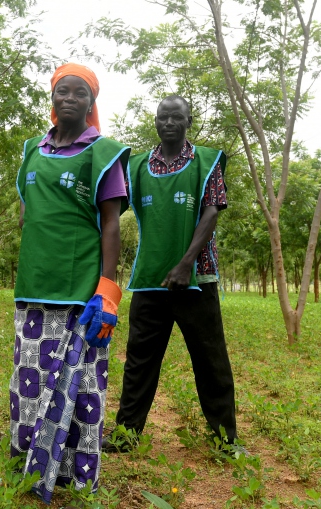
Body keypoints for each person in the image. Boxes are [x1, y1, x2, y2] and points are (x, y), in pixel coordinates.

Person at [9, 63, 130, 509]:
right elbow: (29, 212)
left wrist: (107, 288)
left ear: (91, 102)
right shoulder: (31, 150)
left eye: (80, 93)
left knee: (80, 385)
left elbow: (112, 223)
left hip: (79, 289)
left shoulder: (104, 154)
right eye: (62, 91)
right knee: (30, 379)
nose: (69, 99)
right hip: (32, 285)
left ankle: (77, 475)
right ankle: (32, 463)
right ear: (53, 97)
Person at [104, 95, 243, 455]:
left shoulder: (207, 162)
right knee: (139, 361)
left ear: (188, 121)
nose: (168, 123)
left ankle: (226, 440)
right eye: (163, 117)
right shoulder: (135, 167)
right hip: (150, 281)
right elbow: (110, 213)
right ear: (156, 122)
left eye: (176, 117)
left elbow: (211, 213)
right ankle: (126, 433)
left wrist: (186, 263)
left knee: (211, 361)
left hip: (198, 280)